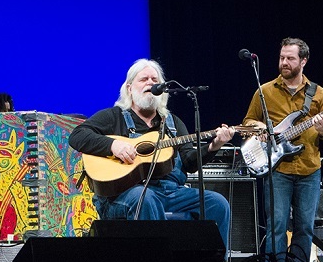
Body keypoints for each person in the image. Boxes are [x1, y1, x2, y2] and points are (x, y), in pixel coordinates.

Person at [68, 58, 234, 251]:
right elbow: (77, 136)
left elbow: (189, 162)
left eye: (155, 80)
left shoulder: (173, 123)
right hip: (123, 194)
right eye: (144, 79)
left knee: (218, 203)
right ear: (129, 88)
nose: (150, 83)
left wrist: (215, 145)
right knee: (145, 197)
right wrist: (113, 145)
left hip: (171, 192)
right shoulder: (114, 117)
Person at [241, 37, 323, 262]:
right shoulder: (265, 91)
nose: (284, 62)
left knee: (305, 227)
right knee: (276, 225)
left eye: (290, 58)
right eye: (282, 57)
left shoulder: (319, 93)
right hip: (277, 171)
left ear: (303, 61)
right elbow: (248, 122)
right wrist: (263, 129)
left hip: (309, 169)